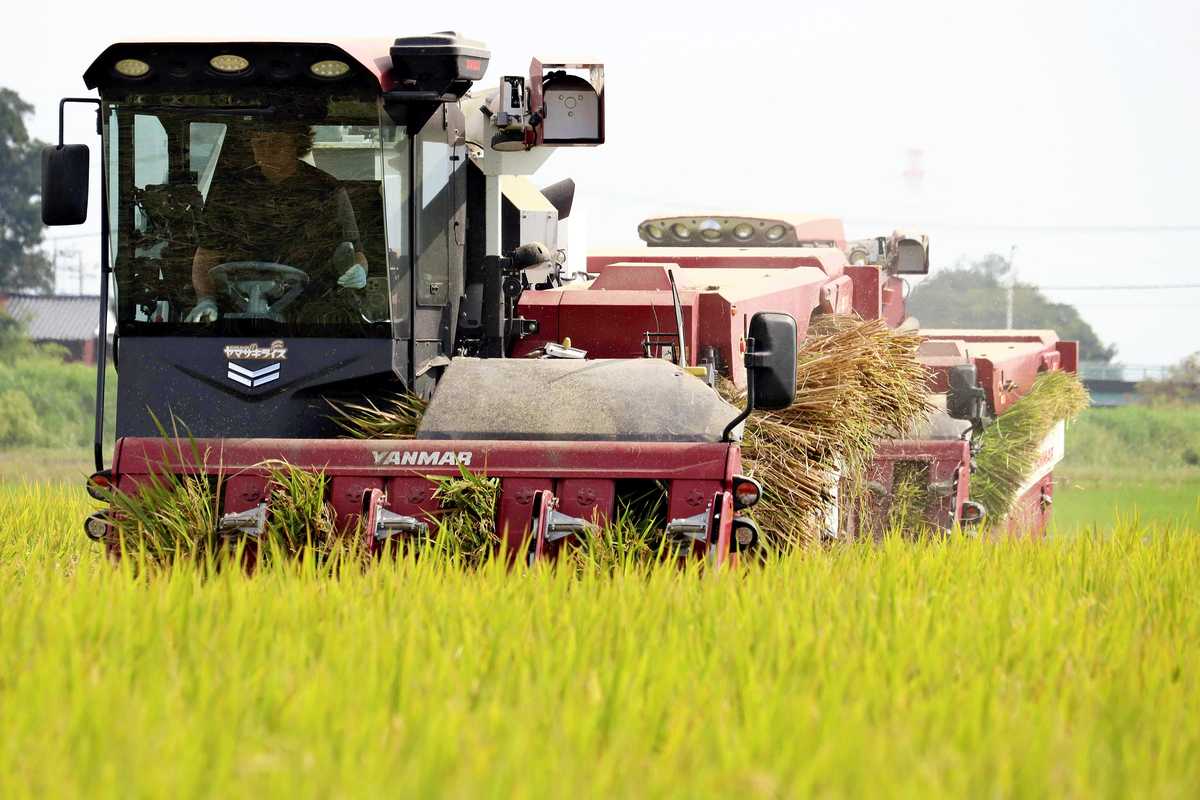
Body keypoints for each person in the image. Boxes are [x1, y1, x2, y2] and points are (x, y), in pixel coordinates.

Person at [186, 122, 368, 323]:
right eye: (260, 142)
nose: (266, 149)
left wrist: (358, 272)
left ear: (297, 144)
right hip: (235, 301)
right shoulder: (230, 190)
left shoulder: (328, 191)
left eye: (276, 142)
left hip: (310, 311)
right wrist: (205, 299)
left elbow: (355, 252)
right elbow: (207, 253)